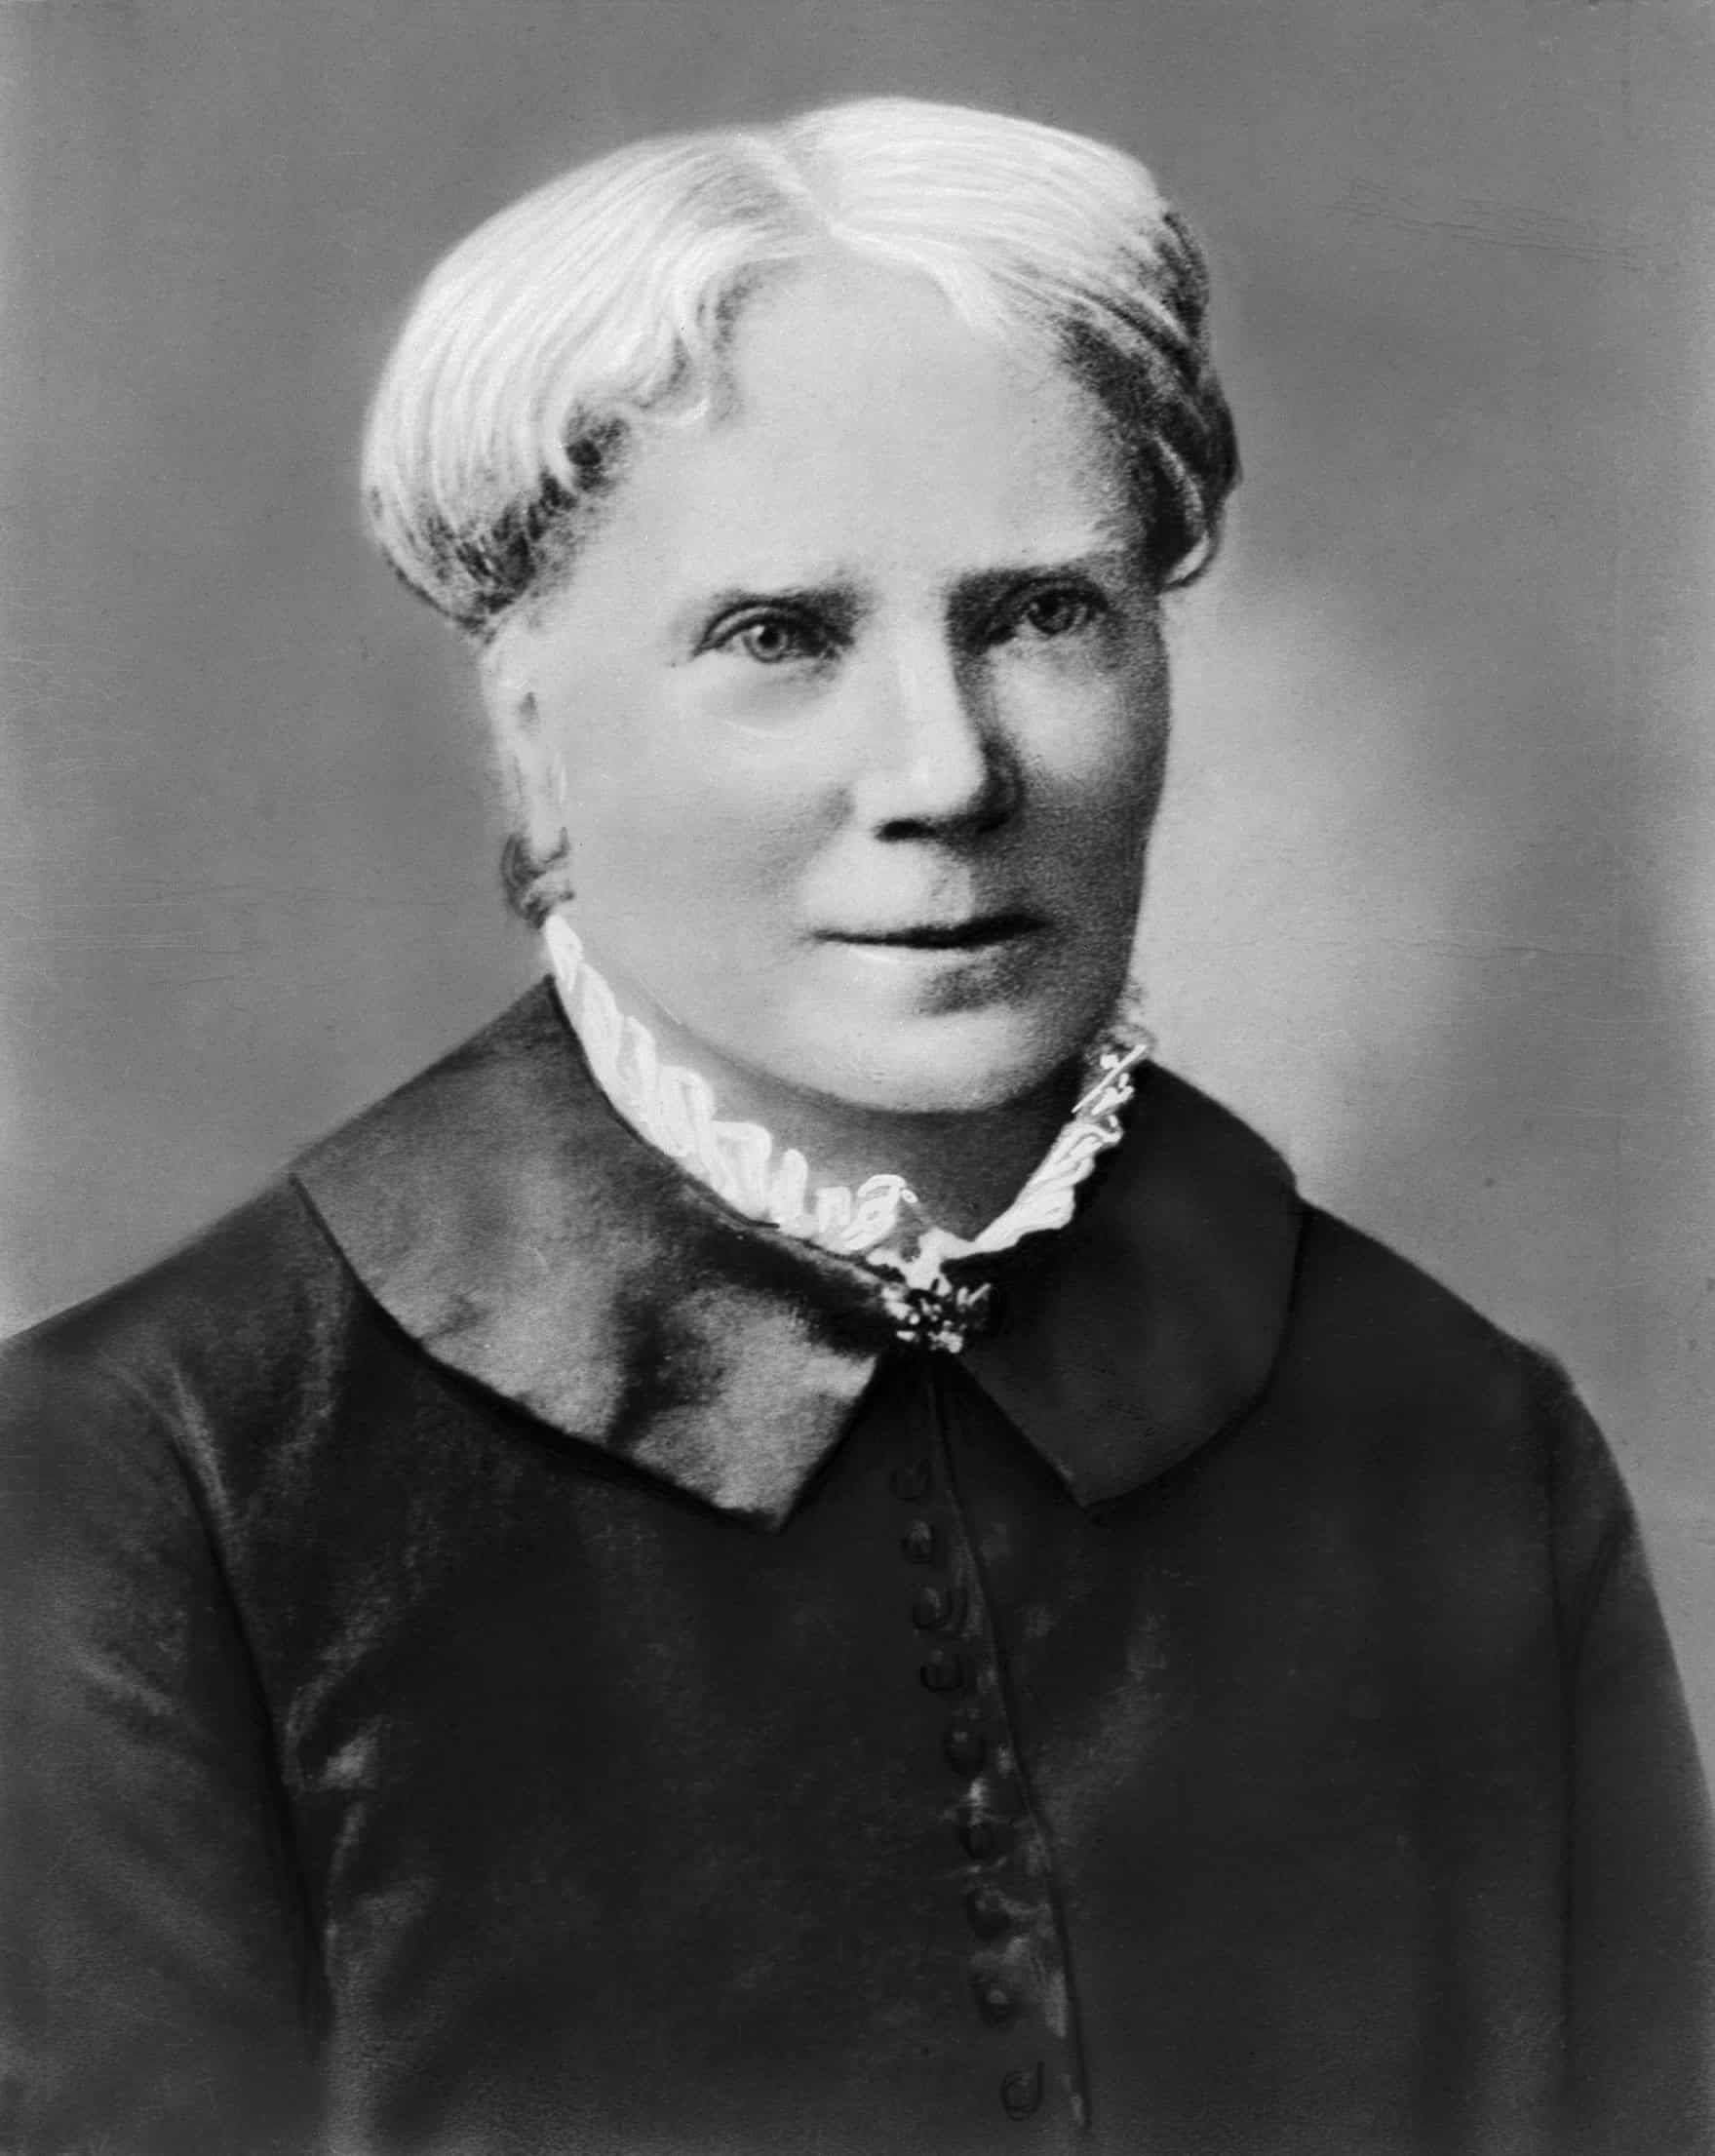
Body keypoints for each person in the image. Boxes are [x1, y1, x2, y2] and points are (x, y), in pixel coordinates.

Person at [2, 94, 1710, 2156]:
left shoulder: (1457, 1443)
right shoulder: (137, 1489)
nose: (941, 767)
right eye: (778, 636)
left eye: (1041, 613)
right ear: (530, 725)